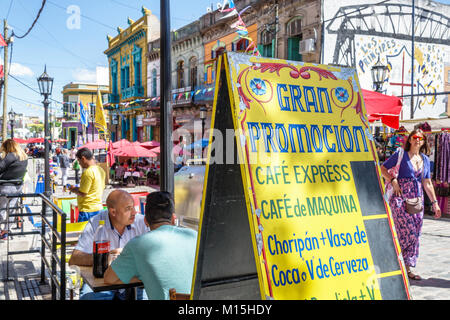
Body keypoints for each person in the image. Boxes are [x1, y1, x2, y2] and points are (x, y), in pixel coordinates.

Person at [104, 191, 197, 300]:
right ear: (173, 219)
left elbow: (109, 278)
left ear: (146, 221)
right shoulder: (194, 236)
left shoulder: (137, 245)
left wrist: (145, 275)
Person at [380, 129, 441, 281]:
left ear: (423, 141)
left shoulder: (425, 160)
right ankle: (395, 261)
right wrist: (393, 180)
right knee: (408, 232)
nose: (417, 140)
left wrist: (435, 204)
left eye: (420, 138)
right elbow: (382, 169)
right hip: (400, 199)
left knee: (416, 234)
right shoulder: (400, 154)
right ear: (409, 140)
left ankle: (406, 268)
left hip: (417, 200)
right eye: (414, 137)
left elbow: (427, 183)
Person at [69, 189, 149, 300]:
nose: (134, 212)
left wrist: (125, 257)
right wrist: (105, 258)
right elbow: (74, 258)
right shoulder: (96, 223)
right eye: (128, 209)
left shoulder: (141, 222)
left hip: (135, 282)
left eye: (133, 207)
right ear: (113, 212)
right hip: (103, 282)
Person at [0, 140, 28, 239]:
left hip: (5, 186)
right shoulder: (23, 156)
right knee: (11, 210)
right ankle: (6, 231)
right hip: (17, 187)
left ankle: (1, 230)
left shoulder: (11, 156)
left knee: (2, 209)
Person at [69, 147, 105, 222]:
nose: (79, 163)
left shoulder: (88, 172)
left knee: (85, 233)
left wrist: (73, 189)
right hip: (98, 207)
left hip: (87, 210)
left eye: (79, 161)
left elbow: (83, 193)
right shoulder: (100, 170)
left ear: (83, 159)